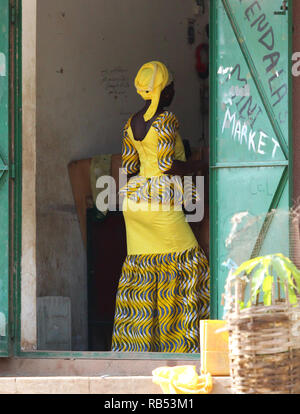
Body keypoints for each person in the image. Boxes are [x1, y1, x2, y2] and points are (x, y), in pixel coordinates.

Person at [111, 61, 209, 353]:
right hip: (159, 203)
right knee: (191, 265)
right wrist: (200, 165)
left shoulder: (130, 123)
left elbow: (129, 168)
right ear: (163, 93)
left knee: (142, 271)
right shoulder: (166, 120)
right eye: (172, 86)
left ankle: (138, 348)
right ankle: (183, 346)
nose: (175, 90)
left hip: (135, 200)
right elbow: (167, 166)